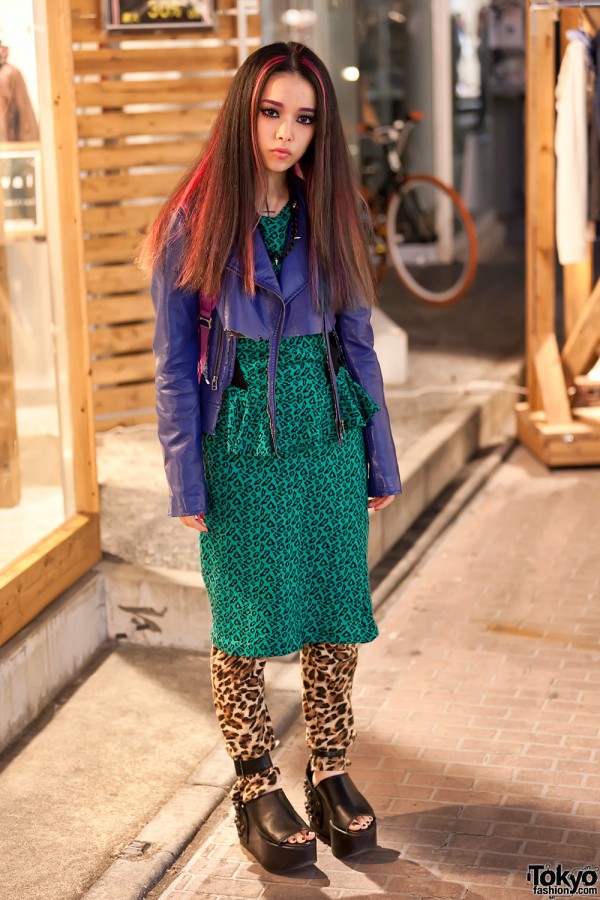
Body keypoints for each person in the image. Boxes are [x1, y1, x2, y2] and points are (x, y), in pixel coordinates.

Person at [140, 41, 402, 875]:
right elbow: (174, 365)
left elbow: (358, 343)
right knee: (244, 626)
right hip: (240, 445)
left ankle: (330, 772)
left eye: (303, 117)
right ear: (244, 110)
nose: (285, 133)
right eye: (270, 112)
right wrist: (185, 471)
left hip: (327, 437)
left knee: (333, 616)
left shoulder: (338, 212)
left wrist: (378, 459)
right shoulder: (194, 218)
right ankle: (254, 783)